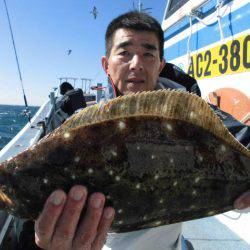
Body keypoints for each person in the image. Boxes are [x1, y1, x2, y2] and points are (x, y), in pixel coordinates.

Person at [35, 11, 250, 250]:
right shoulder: (75, 122)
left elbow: (242, 140)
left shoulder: (189, 115)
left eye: (148, 54)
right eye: (125, 53)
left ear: (160, 65)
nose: (136, 64)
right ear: (106, 64)